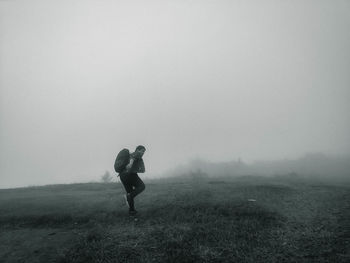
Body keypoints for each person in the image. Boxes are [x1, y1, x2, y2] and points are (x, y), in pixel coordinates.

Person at [119, 145, 146, 215]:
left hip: (122, 176)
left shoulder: (130, 155)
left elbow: (143, 170)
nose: (143, 153)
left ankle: (132, 211)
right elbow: (133, 158)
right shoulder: (136, 155)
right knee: (142, 186)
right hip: (129, 175)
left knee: (130, 192)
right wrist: (131, 165)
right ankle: (129, 196)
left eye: (144, 152)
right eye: (142, 151)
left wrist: (136, 168)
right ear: (137, 150)